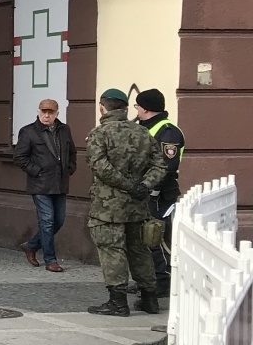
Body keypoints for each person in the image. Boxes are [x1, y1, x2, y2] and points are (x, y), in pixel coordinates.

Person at [86, 87, 169, 317]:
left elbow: (101, 168)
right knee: (140, 251)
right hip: (137, 206)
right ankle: (150, 299)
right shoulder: (143, 133)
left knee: (112, 251)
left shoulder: (99, 134)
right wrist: (144, 185)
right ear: (124, 108)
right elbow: (160, 165)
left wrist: (128, 185)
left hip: (108, 208)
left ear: (102, 107)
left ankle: (118, 302)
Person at [13, 97, 78, 274]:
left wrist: (70, 168)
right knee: (47, 221)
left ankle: (31, 245)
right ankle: (51, 260)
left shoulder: (64, 130)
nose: (47, 115)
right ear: (38, 112)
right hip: (40, 184)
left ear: (57, 113)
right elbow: (19, 157)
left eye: (50, 112)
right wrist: (36, 171)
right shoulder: (28, 131)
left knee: (59, 221)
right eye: (44, 112)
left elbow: (72, 152)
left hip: (60, 183)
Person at [134, 88, 185, 294]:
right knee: (145, 239)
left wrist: (152, 188)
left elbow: (166, 166)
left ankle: (162, 282)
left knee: (156, 237)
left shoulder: (167, 131)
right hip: (145, 192)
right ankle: (150, 279)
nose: (136, 109)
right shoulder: (145, 128)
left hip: (159, 194)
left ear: (145, 108)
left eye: (137, 106)